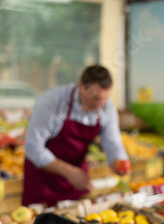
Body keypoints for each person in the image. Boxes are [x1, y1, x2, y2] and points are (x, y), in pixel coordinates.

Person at [23, 64, 131, 206]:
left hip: (77, 184)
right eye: (96, 98)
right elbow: (32, 147)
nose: (101, 104)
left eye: (105, 98)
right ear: (81, 87)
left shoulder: (106, 107)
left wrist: (119, 160)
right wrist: (70, 172)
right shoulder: (52, 102)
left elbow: (113, 143)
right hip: (43, 184)